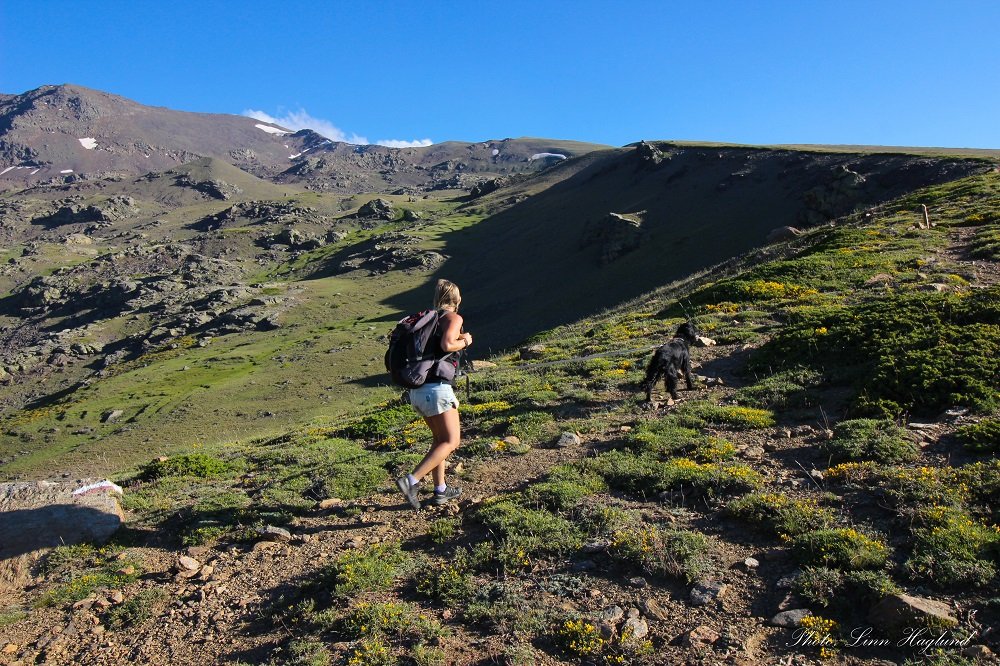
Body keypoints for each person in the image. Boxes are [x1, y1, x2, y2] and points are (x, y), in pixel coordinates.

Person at [395, 279, 472, 509]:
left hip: (418, 390)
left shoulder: (428, 319)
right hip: (437, 390)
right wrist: (465, 340)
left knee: (439, 441)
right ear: (456, 300)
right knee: (452, 441)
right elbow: (448, 345)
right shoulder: (453, 318)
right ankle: (410, 481)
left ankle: (440, 490)